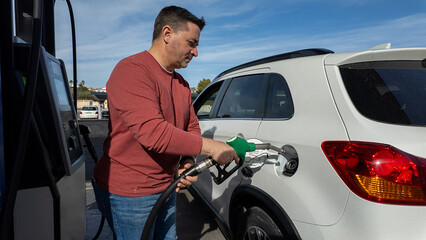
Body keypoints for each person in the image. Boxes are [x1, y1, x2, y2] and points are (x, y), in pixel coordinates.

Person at [92, 5, 239, 240]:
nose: (195, 52)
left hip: (167, 187)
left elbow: (190, 125)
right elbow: (153, 133)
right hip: (131, 194)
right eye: (192, 43)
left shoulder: (180, 83)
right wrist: (213, 147)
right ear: (167, 34)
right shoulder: (132, 70)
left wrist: (187, 160)